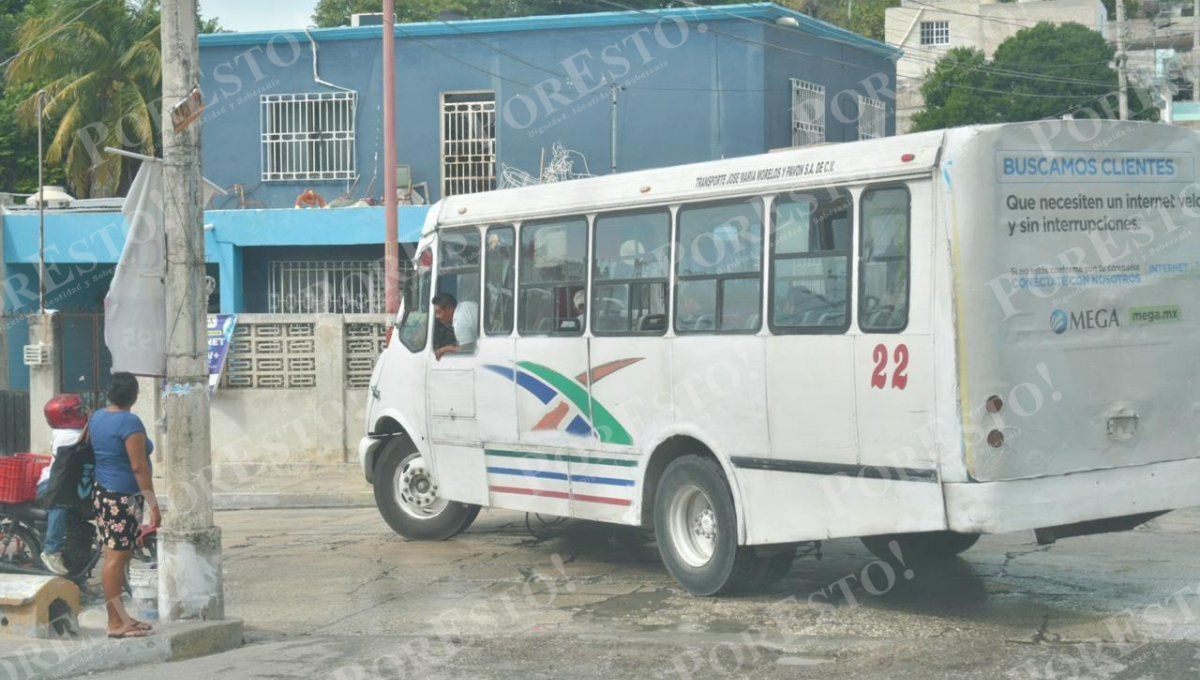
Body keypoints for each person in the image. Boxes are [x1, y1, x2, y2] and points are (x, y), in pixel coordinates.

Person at [90, 372, 159, 639]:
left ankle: (121, 616)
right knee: (116, 559)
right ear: (135, 395)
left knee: (117, 557)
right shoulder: (129, 422)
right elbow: (139, 467)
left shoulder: (97, 417)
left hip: (105, 493)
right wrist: (154, 506)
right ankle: (115, 624)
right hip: (123, 498)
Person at [37, 394, 88, 576]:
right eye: (78, 411)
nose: (83, 413)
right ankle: (52, 550)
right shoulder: (66, 435)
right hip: (52, 486)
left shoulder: (72, 431)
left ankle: (78, 575)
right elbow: (85, 439)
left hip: (66, 483)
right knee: (60, 504)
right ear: (65, 416)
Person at [432, 292, 477, 360]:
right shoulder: (466, 305)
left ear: (449, 309)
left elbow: (467, 348)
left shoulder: (459, 322)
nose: (437, 316)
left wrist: (444, 349)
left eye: (439, 312)